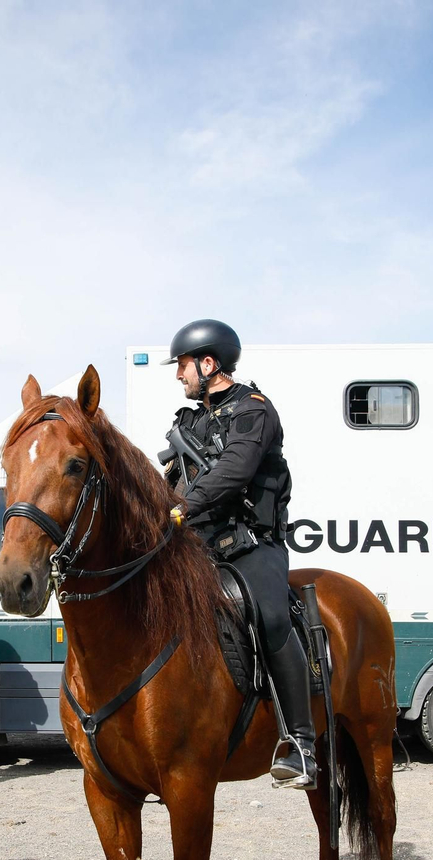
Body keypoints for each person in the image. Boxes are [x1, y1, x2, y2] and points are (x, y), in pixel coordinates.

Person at [162, 318, 318, 788]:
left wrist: (179, 509)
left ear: (208, 364)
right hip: (198, 545)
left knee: (271, 616)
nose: (179, 376)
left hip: (252, 544)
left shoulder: (255, 410)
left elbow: (233, 471)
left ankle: (302, 743)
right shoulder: (187, 420)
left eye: (183, 366)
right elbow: (170, 477)